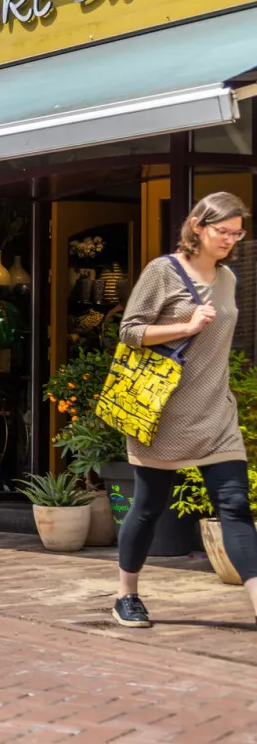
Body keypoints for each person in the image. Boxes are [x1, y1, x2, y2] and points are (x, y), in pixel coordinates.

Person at [113, 191, 257, 629]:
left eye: (238, 233)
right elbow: (130, 331)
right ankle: (126, 595)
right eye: (223, 231)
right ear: (198, 226)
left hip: (215, 413)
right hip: (163, 415)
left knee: (234, 506)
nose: (231, 239)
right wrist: (187, 326)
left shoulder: (228, 278)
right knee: (149, 507)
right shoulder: (163, 271)